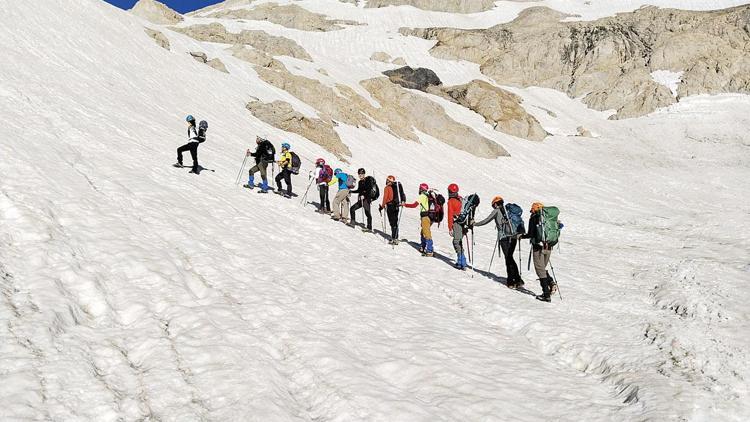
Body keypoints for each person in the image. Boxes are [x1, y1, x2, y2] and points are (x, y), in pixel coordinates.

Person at [474, 196, 523, 288]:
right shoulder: (509, 211)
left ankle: (511, 281)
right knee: (510, 257)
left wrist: (475, 223)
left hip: (503, 237)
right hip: (513, 237)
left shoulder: (496, 211)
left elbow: (486, 220)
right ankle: (517, 279)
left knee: (508, 259)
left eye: (493, 205)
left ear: (496, 204)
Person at [523, 202, 556, 302]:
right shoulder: (548, 218)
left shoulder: (534, 217)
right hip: (549, 246)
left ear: (534, 209)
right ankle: (550, 283)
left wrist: (521, 236)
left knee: (540, 270)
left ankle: (546, 295)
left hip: (538, 247)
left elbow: (531, 233)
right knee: (543, 268)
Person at [402, 183, 434, 257]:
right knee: (423, 232)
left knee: (426, 233)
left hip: (425, 217)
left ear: (421, 189)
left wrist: (405, 205)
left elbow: (414, 205)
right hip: (430, 216)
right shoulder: (428, 196)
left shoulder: (422, 196)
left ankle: (429, 250)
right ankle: (423, 247)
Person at [445, 183, 468, 270]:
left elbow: (450, 215)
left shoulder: (451, 201)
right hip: (464, 224)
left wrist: (450, 228)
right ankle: (461, 260)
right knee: (459, 241)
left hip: (457, 223)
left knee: (456, 242)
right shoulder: (461, 199)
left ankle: (461, 261)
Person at [379, 175, 401, 244]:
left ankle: (393, 238)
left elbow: (385, 198)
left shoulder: (387, 188)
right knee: (395, 222)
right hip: (396, 206)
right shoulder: (395, 188)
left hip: (390, 206)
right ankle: (396, 237)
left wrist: (382, 206)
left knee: (392, 222)